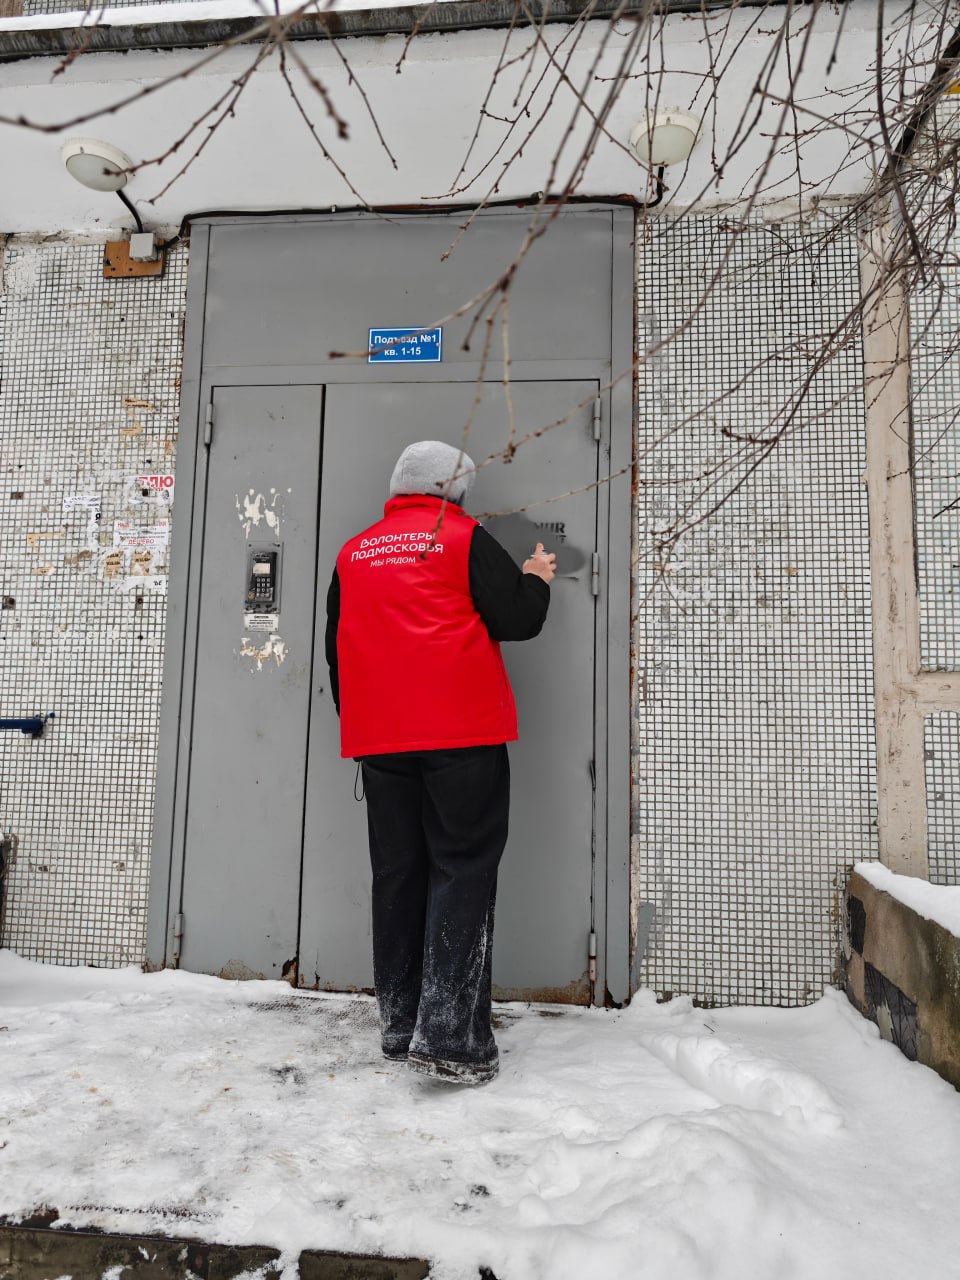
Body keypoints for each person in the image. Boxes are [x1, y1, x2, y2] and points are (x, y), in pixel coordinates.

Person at [325, 440, 555, 1085]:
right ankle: (451, 1040)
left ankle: (400, 1025)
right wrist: (536, 575)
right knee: (463, 869)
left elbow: (335, 648)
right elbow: (515, 620)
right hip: (460, 736)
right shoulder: (461, 536)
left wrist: (364, 724)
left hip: (380, 740)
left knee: (397, 874)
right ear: (455, 490)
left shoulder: (354, 550)